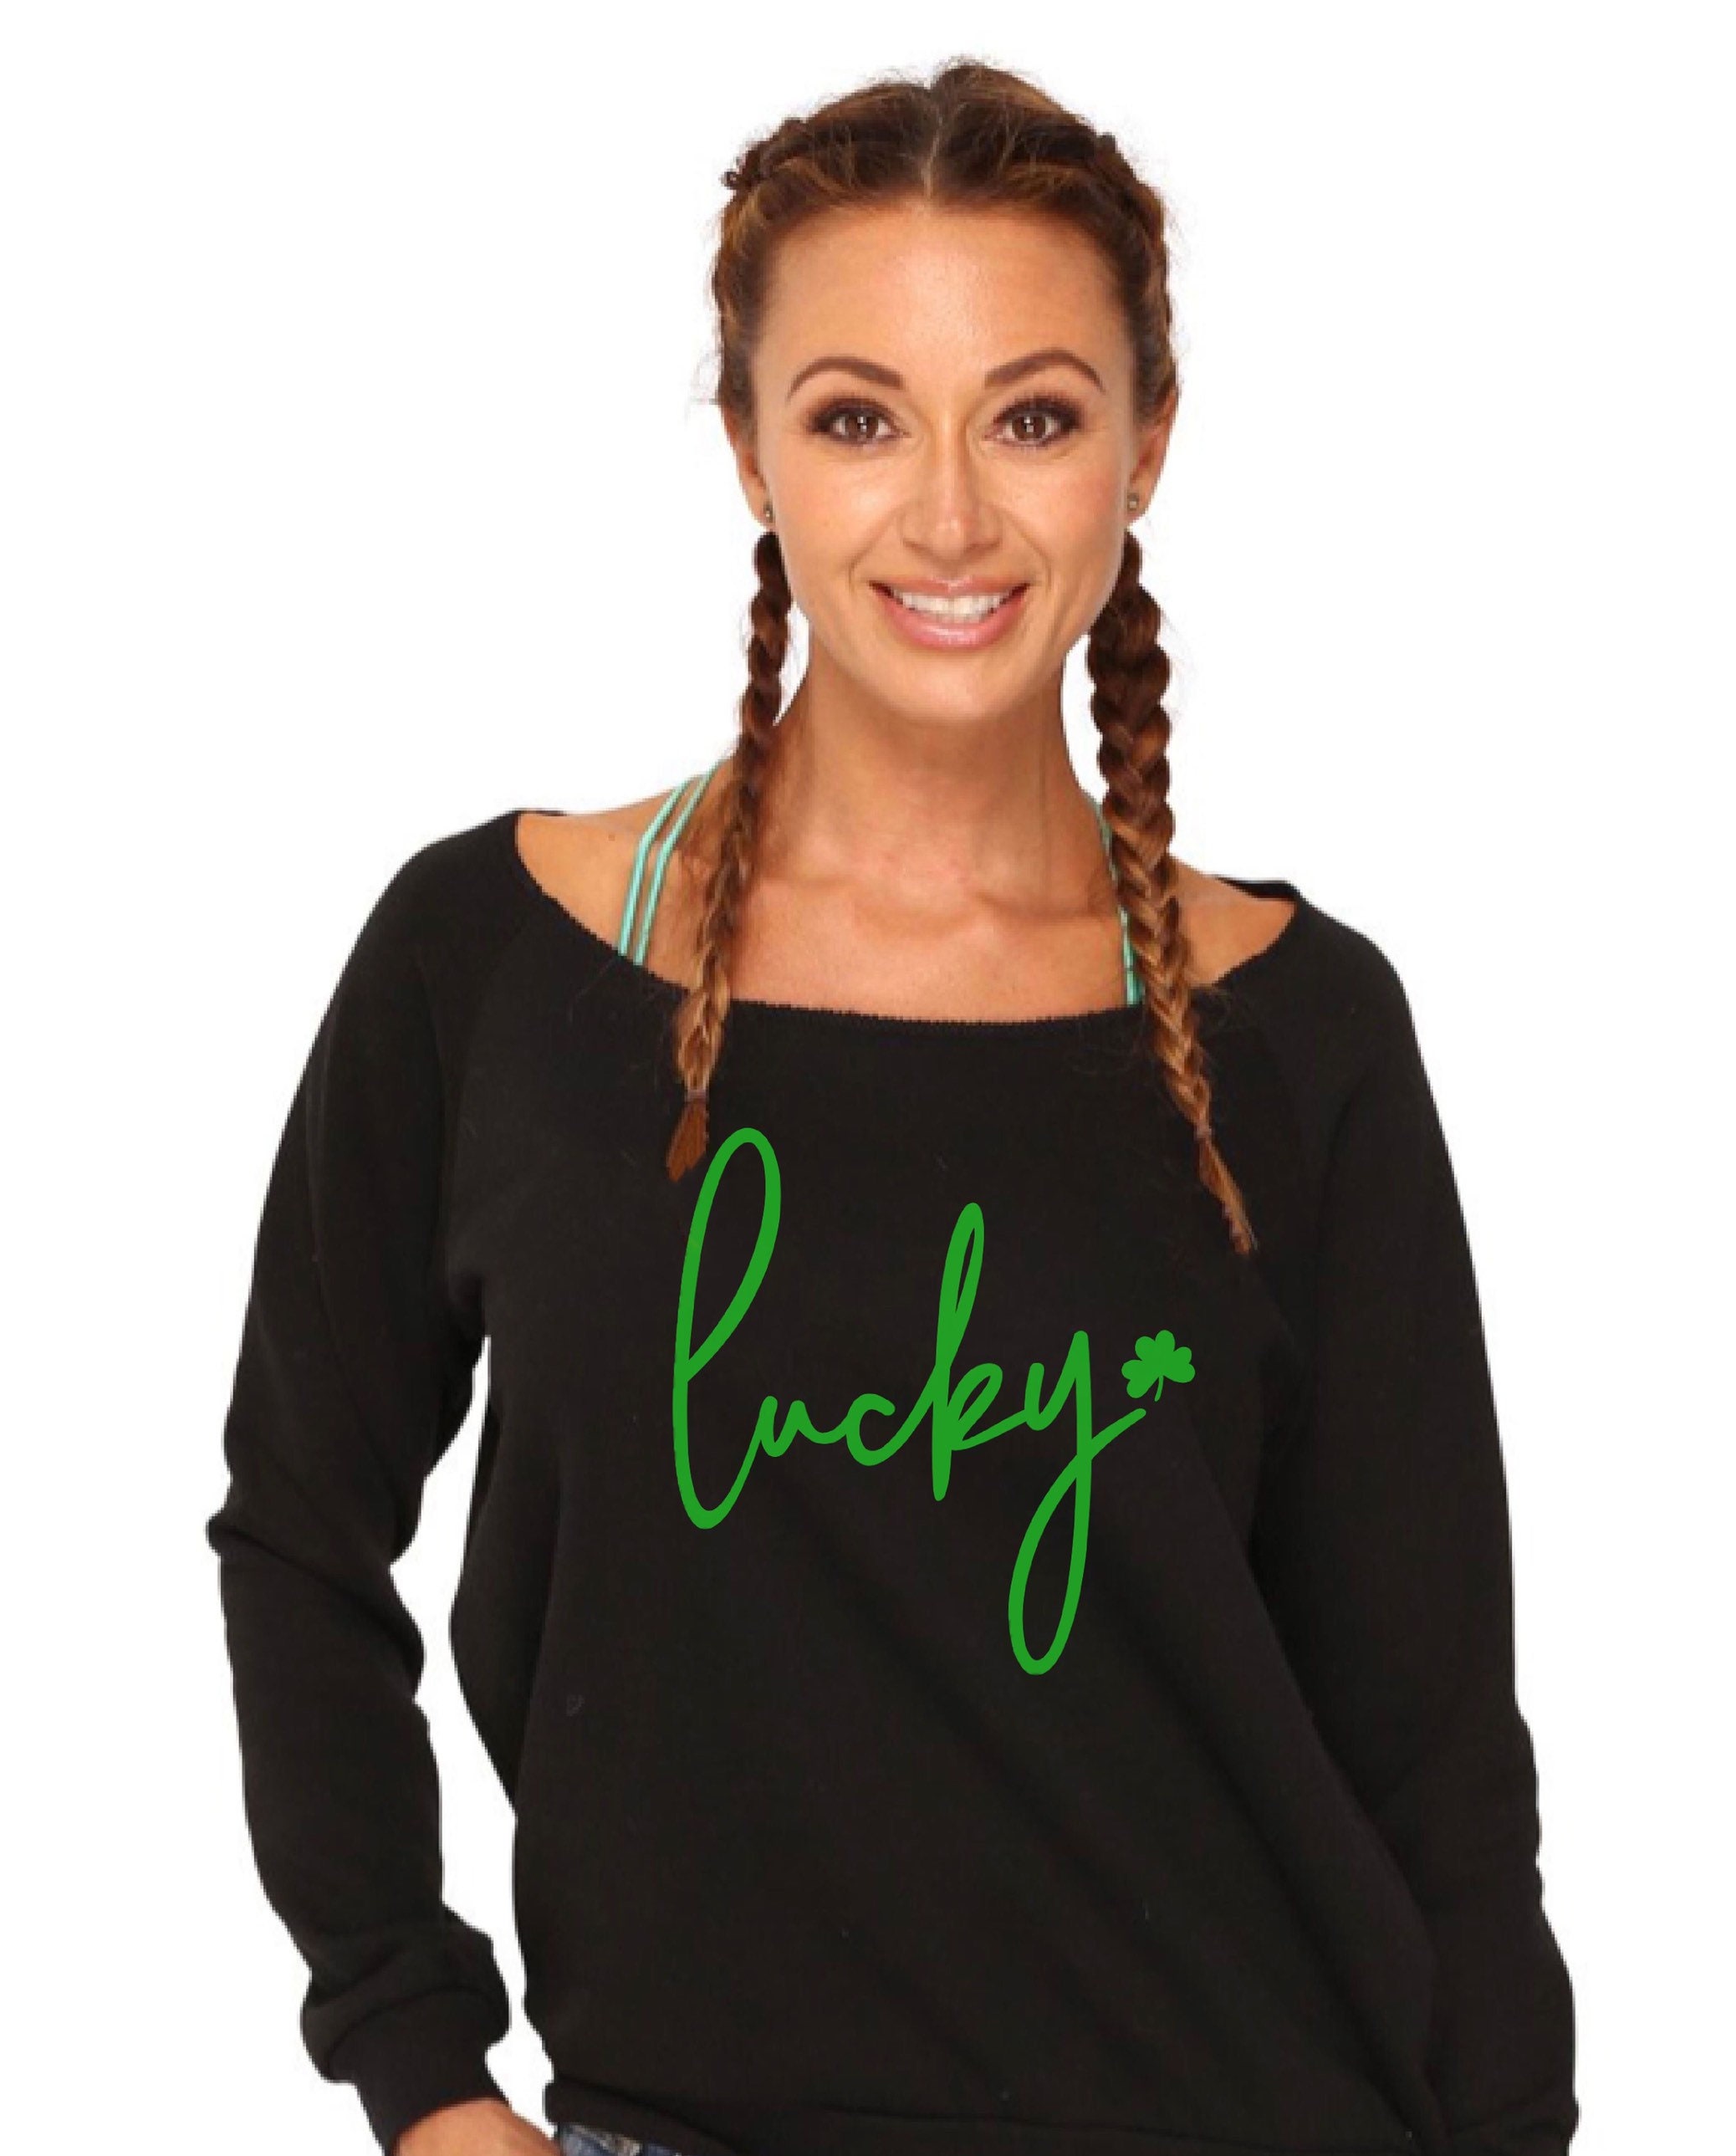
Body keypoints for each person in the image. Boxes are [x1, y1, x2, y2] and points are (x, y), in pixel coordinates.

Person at [206, 57, 1578, 2156]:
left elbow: (1438, 1758)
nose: (948, 515)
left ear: (1146, 445)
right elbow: (301, 1527)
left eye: (1033, 416)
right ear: (748, 445)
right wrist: (424, 2073)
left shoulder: (1299, 1032)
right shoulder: (493, 965)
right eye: (859, 417)